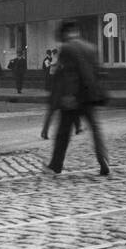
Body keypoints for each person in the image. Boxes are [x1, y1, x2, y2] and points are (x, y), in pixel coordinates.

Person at [45, 21, 110, 176]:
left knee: (63, 133)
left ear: (65, 33)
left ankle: (56, 165)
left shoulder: (67, 49)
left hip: (73, 98)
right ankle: (104, 160)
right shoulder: (91, 47)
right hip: (90, 97)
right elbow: (99, 73)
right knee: (96, 130)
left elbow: (68, 75)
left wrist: (68, 96)